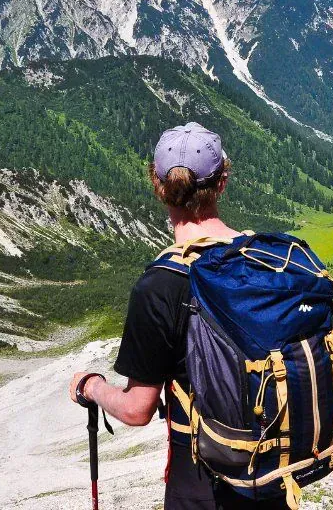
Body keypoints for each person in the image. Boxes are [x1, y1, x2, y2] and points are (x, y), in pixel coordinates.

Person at [68, 122, 287, 509]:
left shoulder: (160, 285)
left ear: (158, 185)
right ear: (222, 181)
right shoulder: (265, 258)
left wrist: (92, 387)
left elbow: (137, 409)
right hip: (273, 472)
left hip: (203, 480)